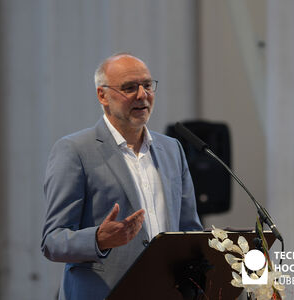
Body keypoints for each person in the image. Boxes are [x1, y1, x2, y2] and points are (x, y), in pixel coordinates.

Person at [41, 53, 202, 300]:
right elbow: (53, 241)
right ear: (102, 95)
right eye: (129, 88)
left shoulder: (172, 149)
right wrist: (98, 239)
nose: (142, 95)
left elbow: (189, 229)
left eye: (147, 85)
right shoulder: (74, 150)